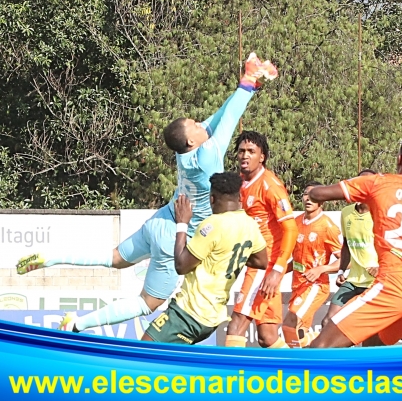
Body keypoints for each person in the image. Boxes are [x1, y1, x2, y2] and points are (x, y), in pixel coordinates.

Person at [15, 54, 278, 333]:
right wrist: (248, 79)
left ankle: (52, 257)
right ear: (191, 139)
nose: (201, 124)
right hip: (174, 235)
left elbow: (218, 118)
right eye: (195, 125)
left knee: (115, 258)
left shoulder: (184, 153)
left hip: (161, 220)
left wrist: (250, 88)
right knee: (146, 303)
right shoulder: (207, 158)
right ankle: (76, 325)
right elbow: (229, 119)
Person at [307, 136, 402, 348]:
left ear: (399, 158)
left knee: (321, 346)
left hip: (393, 285)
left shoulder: (379, 183)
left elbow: (317, 193)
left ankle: (280, 372)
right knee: (371, 348)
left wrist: (317, 191)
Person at [142, 173, 268, 344]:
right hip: (212, 318)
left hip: (189, 312)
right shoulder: (250, 224)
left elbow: (181, 266)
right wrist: (226, 255)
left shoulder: (213, 224)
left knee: (143, 350)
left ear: (212, 199)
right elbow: (262, 261)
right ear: (239, 197)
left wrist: (182, 223)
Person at [225, 131, 298, 348]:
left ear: (262, 157)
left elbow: (291, 229)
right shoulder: (239, 182)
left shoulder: (270, 186)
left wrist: (277, 270)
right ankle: (299, 367)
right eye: (241, 151)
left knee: (236, 325)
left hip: (264, 266)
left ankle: (226, 371)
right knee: (268, 336)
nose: (245, 156)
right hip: (255, 262)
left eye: (251, 151)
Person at [282, 181, 342, 348]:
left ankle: (319, 341)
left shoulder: (328, 227)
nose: (308, 198)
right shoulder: (296, 223)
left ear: (322, 200)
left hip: (315, 286)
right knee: (297, 332)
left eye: (313, 195)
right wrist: (278, 272)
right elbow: (296, 261)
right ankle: (311, 350)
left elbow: (346, 260)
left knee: (290, 323)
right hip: (297, 285)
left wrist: (322, 269)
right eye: (306, 194)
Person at [321, 169, 379, 328]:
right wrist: (341, 271)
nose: (363, 187)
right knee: (328, 322)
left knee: (368, 329)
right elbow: (346, 245)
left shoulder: (380, 213)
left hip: (374, 282)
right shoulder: (346, 212)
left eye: (368, 183)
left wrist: (380, 267)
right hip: (353, 280)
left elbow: (390, 246)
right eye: (359, 183)